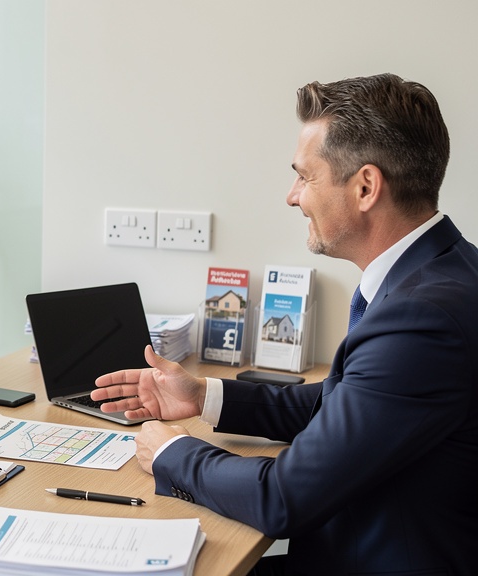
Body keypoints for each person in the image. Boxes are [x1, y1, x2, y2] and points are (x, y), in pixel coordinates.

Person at [92, 73, 478, 575]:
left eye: (305, 176)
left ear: (365, 187)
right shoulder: (446, 270)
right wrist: (204, 397)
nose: (292, 196)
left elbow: (283, 498)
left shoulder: (422, 320)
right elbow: (345, 403)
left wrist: (172, 452)